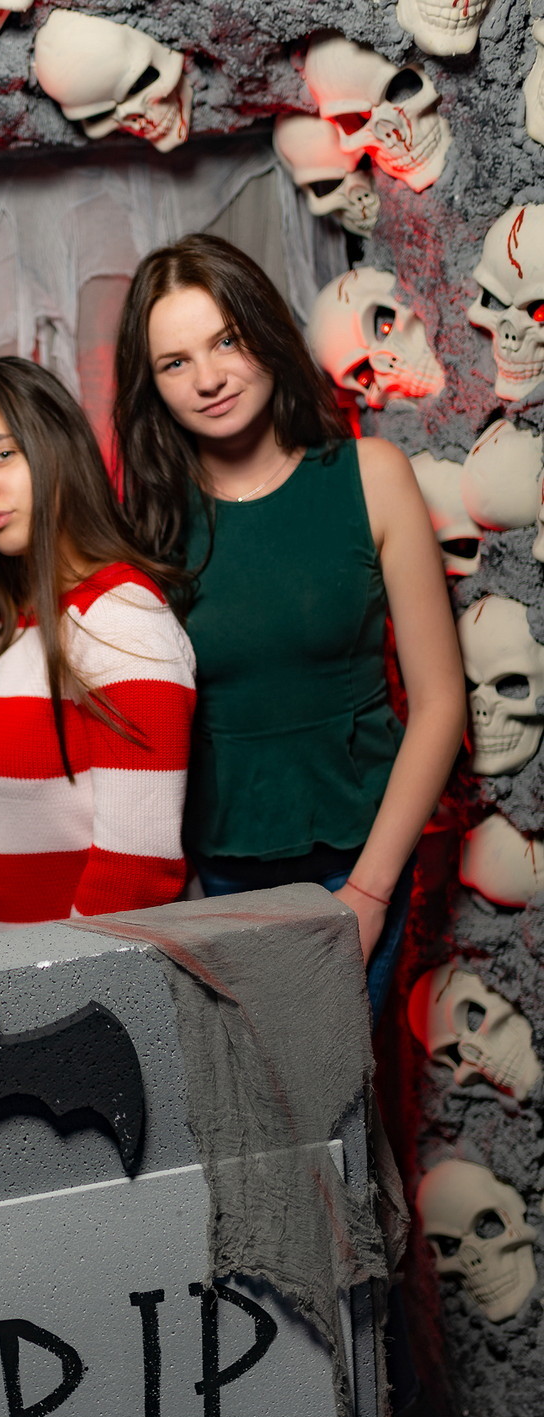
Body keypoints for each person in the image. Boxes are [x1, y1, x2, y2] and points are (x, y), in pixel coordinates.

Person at [113, 234, 466, 1015]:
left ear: (267, 331)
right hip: (214, 880)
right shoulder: (146, 526)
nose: (208, 379)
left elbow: (442, 702)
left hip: (358, 860)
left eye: (226, 341)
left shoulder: (370, 476)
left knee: (337, 1081)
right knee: (246, 1088)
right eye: (175, 363)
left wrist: (369, 892)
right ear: (152, 386)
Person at [0, 356, 197, 933]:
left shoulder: (120, 617)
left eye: (1, 455)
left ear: (57, 447)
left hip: (80, 977)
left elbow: (137, 873)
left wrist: (58, 984)